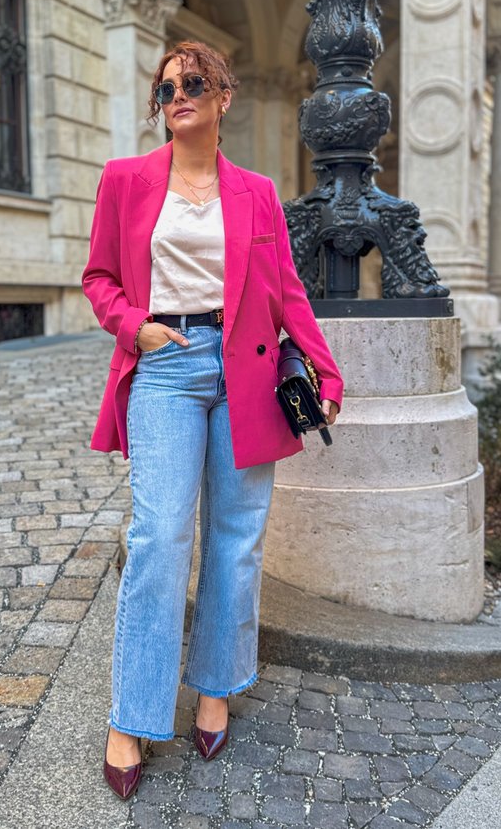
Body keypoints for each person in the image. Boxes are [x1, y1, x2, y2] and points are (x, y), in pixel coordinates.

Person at [81, 40, 344, 800]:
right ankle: (131, 714)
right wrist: (137, 327)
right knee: (159, 535)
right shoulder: (126, 181)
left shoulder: (258, 192)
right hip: (165, 362)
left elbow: (288, 290)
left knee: (235, 536)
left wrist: (325, 368)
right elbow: (99, 277)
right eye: (166, 89)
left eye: (193, 83)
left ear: (224, 97)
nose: (178, 96)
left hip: (249, 372)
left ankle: (216, 685)